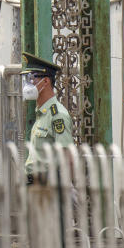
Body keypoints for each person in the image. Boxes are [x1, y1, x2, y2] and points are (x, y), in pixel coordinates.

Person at [21, 52, 74, 184]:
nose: (28, 84)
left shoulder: (57, 115)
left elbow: (68, 157)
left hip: (47, 187)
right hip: (33, 185)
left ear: (45, 81)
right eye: (26, 79)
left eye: (31, 78)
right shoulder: (41, 112)